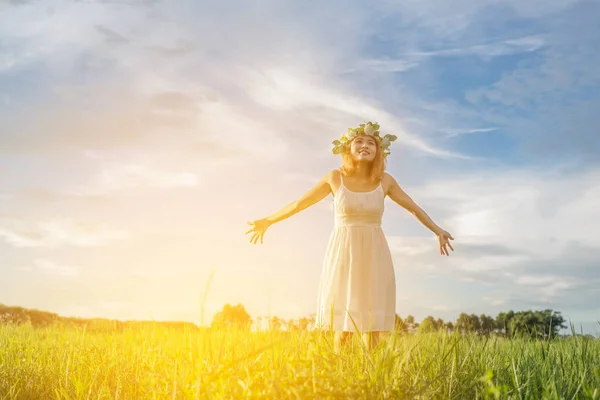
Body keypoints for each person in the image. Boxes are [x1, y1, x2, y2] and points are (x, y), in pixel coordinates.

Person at [246, 122, 454, 351]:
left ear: (378, 152)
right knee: (344, 317)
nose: (365, 145)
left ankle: (370, 375)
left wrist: (438, 230)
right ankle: (339, 371)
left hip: (375, 251)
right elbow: (299, 204)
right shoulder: (335, 178)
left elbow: (414, 208)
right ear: (348, 149)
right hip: (344, 250)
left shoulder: (385, 181)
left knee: (372, 317)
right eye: (359, 142)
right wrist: (268, 220)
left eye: (371, 143)